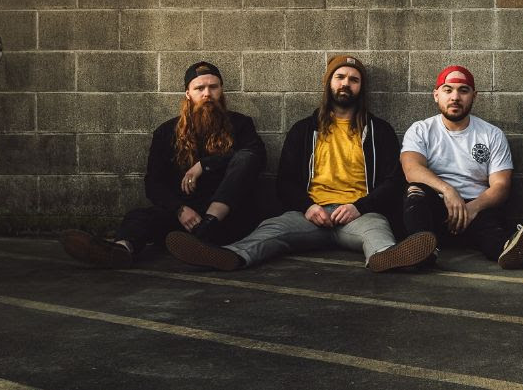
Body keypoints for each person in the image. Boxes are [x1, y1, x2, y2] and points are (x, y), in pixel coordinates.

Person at [166, 55, 436, 272]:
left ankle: (387, 258)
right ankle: (229, 256)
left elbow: (393, 180)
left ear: (360, 88)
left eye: (354, 79)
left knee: (379, 235)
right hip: (310, 215)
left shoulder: (380, 131)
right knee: (269, 230)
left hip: (359, 215)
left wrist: (359, 207)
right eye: (339, 77)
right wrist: (308, 207)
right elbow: (285, 181)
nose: (346, 83)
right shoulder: (304, 130)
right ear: (328, 83)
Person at [60, 61, 265, 267]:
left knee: (245, 158)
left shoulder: (240, 124)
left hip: (227, 217)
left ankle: (208, 236)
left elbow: (255, 156)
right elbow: (153, 183)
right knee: (139, 217)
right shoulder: (166, 132)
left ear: (221, 90)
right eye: (199, 88)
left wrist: (204, 165)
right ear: (187, 94)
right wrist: (179, 209)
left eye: (213, 87)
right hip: (187, 218)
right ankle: (120, 251)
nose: (207, 94)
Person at [400, 65, 523, 269]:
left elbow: (501, 186)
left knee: (491, 230)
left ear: (474, 96)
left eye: (463, 90)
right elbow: (412, 169)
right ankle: (422, 251)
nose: (455, 97)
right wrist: (448, 191)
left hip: (477, 209)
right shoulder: (420, 130)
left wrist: (472, 208)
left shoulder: (491, 134)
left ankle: (509, 248)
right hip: (437, 208)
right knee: (415, 191)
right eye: (448, 90)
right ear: (436, 95)